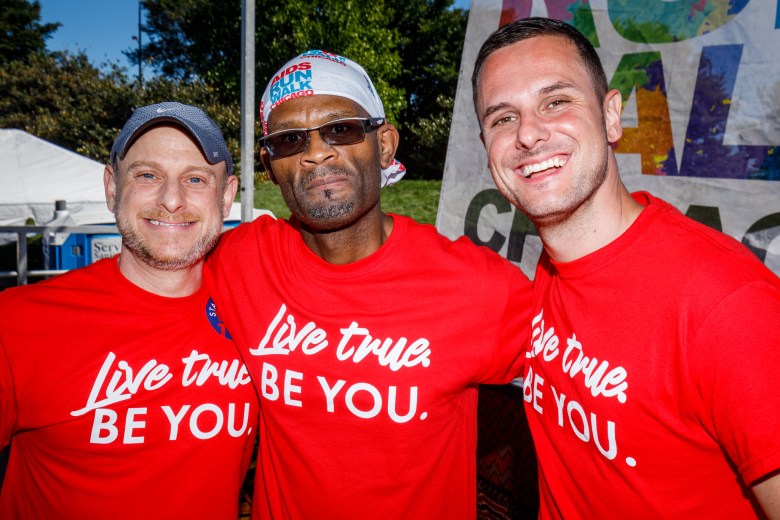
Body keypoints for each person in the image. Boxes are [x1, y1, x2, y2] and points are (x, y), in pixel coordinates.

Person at [471, 17, 780, 518]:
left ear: (612, 117)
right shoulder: (549, 274)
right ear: (487, 149)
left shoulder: (729, 306)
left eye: (556, 101)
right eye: (503, 118)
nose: (528, 134)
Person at [204, 49, 533, 519]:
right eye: (290, 140)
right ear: (270, 164)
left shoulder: (477, 286)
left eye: (342, 129)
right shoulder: (238, 261)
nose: (317, 152)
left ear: (383, 145)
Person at [0, 102, 259, 518]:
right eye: (147, 175)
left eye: (195, 178)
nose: (171, 199)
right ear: (111, 187)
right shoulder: (16, 322)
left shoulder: (258, 314)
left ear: (227, 196)